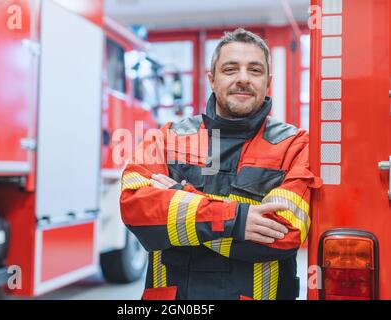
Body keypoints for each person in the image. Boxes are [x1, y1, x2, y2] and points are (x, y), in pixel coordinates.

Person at [119, 28, 322, 300]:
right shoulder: (167, 137)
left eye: (255, 70)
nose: (243, 79)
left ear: (268, 81)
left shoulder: (295, 145)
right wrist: (236, 221)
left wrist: (183, 198)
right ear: (212, 80)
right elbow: (136, 209)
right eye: (230, 69)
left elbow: (283, 233)